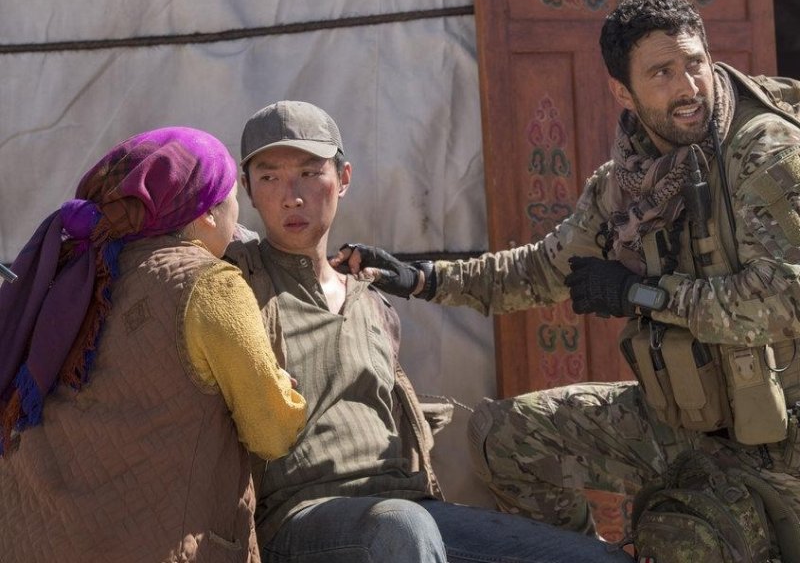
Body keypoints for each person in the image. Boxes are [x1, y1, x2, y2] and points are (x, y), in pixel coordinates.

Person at [334, 0, 800, 547]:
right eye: (662, 73)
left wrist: (641, 294)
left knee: (686, 543)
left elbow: (783, 300)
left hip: (784, 437)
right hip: (688, 420)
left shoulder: (766, 152)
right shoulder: (627, 183)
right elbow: (541, 270)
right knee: (503, 438)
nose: (688, 87)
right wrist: (423, 279)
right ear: (622, 91)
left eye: (694, 63)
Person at [224, 100, 633, 562]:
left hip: (407, 506)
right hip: (300, 519)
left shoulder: (371, 301)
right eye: (269, 177)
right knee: (401, 527)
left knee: (596, 559)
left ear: (344, 178)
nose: (291, 196)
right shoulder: (236, 285)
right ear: (246, 189)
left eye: (309, 172)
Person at [0, 127, 307, 563]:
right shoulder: (209, 285)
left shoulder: (68, 272)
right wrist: (281, 390)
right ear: (207, 213)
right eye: (233, 202)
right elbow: (272, 432)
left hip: (33, 540)